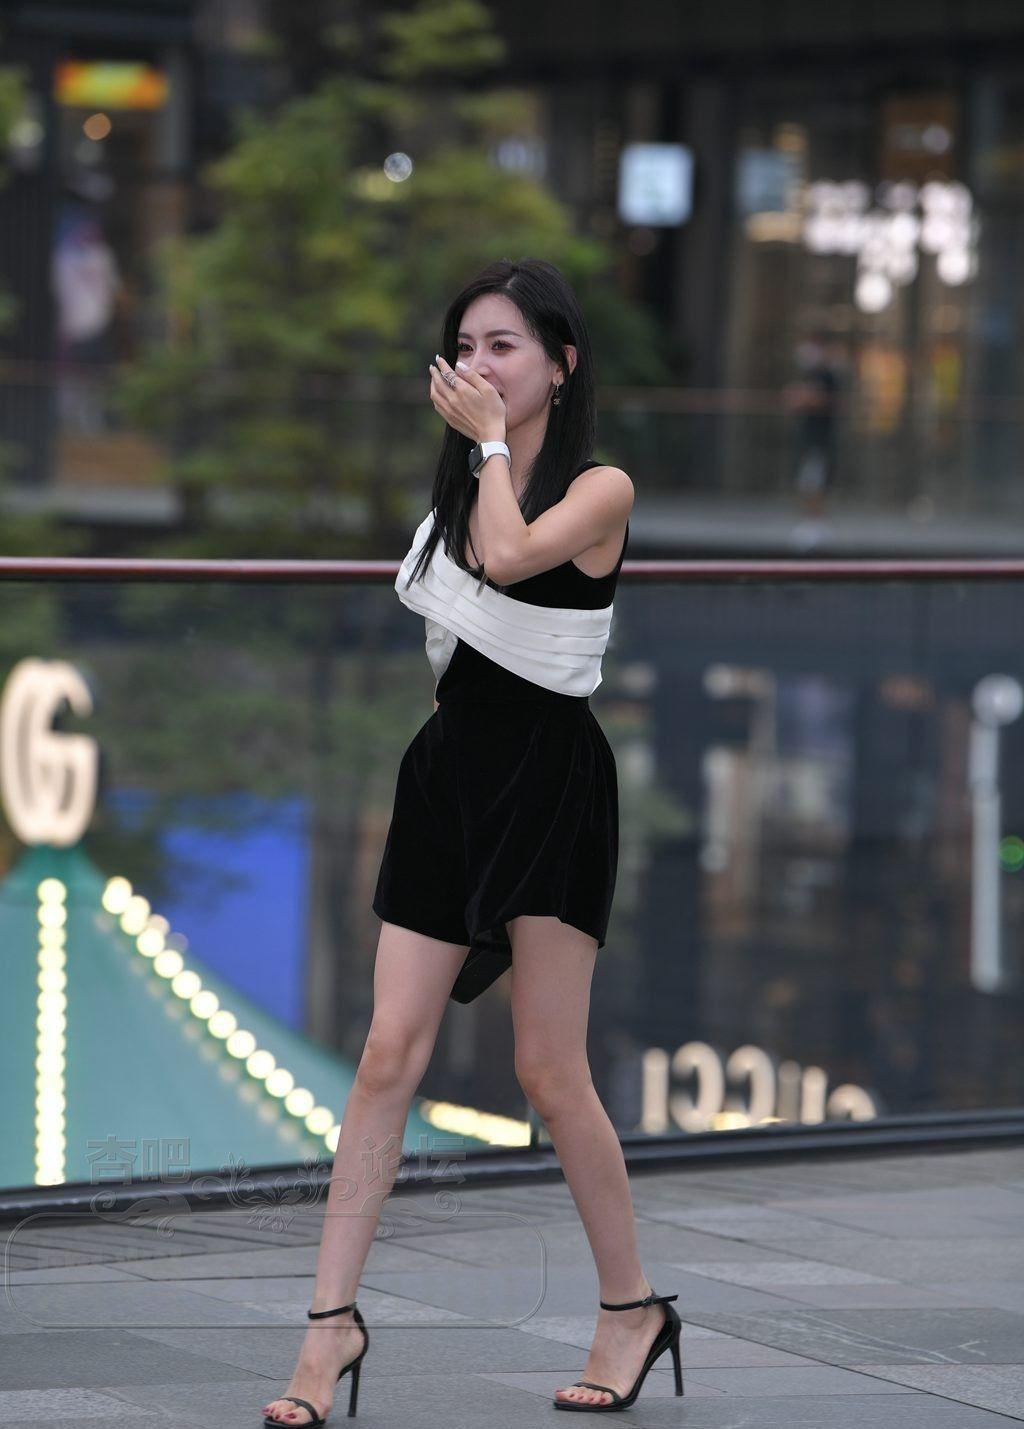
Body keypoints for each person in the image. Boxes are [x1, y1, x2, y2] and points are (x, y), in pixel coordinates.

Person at [261, 258, 683, 1424]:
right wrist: (483, 455)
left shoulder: (600, 486)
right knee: (385, 1052)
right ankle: (328, 1325)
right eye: (465, 345)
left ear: (562, 364)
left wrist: (490, 446)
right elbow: (463, 619)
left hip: (551, 785)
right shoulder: (461, 489)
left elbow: (508, 556)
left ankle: (630, 1307)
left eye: (504, 344)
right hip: (449, 777)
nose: (479, 364)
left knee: (548, 1068)